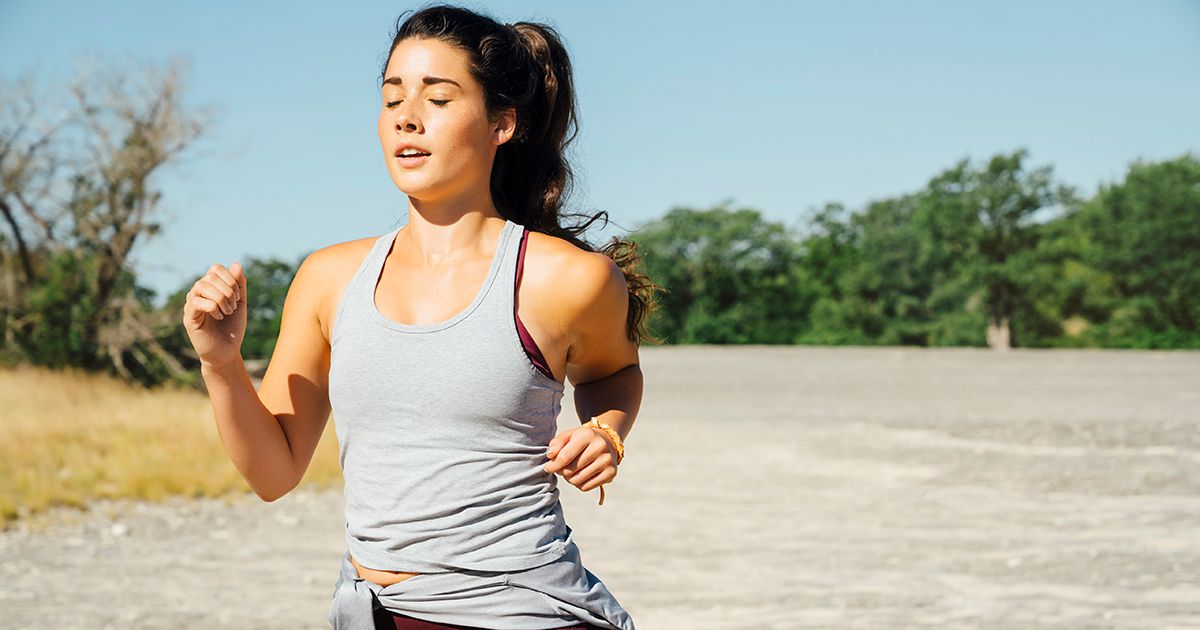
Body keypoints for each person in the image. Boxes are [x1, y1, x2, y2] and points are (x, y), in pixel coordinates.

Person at [181, 4, 663, 629]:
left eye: (437, 98)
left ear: (502, 124)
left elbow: (613, 372)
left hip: (523, 611)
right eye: (391, 99)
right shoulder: (329, 279)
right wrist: (219, 362)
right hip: (371, 612)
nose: (407, 116)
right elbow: (273, 473)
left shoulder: (564, 278)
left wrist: (606, 431)